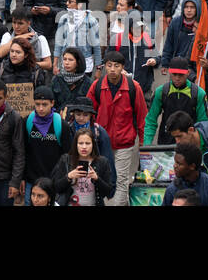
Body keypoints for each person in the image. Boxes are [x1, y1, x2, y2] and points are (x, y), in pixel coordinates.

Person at [87, 50, 146, 206]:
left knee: (121, 180)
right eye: (109, 65)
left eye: (116, 66)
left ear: (123, 67)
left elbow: (141, 116)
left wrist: (142, 142)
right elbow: (88, 112)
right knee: (101, 178)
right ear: (105, 66)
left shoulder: (134, 87)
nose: (113, 69)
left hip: (125, 142)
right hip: (101, 142)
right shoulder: (97, 86)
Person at [50, 127, 115, 206]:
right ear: (75, 144)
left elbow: (108, 191)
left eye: (87, 143)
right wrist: (69, 177)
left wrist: (97, 179)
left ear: (93, 144)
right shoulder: (66, 160)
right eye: (80, 143)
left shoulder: (102, 162)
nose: (84, 147)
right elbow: (55, 187)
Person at [161, 141, 208, 206]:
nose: (175, 166)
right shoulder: (172, 189)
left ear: (192, 166)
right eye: (175, 162)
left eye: (179, 164)